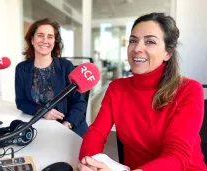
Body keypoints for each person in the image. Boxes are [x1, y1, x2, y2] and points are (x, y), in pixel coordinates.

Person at [76, 13, 207, 171]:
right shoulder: (117, 88)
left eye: (150, 41)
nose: (137, 48)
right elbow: (96, 133)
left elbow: (176, 157)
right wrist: (89, 162)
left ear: (168, 53)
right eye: (133, 41)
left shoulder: (189, 89)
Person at [15, 18, 89, 137]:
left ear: (54, 42)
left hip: (69, 128)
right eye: (40, 35)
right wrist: (43, 112)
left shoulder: (66, 67)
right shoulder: (21, 69)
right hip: (40, 127)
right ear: (32, 40)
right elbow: (21, 102)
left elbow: (79, 103)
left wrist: (66, 125)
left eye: (50, 37)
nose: (45, 40)